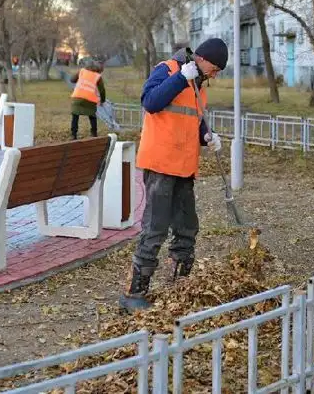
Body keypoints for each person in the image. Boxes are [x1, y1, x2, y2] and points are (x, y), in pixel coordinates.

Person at [119, 38, 228, 313]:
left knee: (187, 227)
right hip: (160, 164)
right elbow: (151, 102)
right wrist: (180, 78)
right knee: (155, 228)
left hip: (184, 166)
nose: (214, 74)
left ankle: (181, 286)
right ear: (201, 58)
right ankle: (134, 293)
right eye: (214, 68)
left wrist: (207, 135)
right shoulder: (168, 70)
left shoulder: (198, 84)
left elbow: (192, 119)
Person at [69, 59, 106, 139]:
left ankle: (73, 135)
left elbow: (72, 80)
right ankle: (94, 133)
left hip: (77, 97)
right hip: (90, 98)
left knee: (75, 116)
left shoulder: (82, 71)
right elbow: (102, 90)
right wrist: (102, 100)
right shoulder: (98, 76)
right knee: (92, 116)